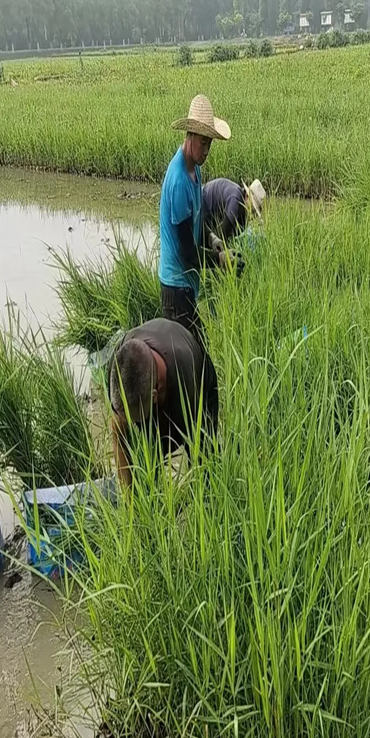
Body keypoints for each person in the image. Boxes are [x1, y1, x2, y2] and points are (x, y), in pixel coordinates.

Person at [108, 318, 218, 489]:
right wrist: (129, 501)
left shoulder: (185, 381)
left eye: (133, 418)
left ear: (154, 396)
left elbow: (185, 443)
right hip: (153, 374)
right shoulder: (118, 367)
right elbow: (118, 434)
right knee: (144, 466)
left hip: (195, 375)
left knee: (206, 463)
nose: (130, 423)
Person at [159, 95, 231, 345]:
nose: (207, 150)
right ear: (189, 136)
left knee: (195, 356)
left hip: (186, 284)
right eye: (203, 142)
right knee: (195, 360)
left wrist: (213, 240)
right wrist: (220, 261)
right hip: (176, 287)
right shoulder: (179, 180)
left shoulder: (195, 169)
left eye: (210, 143)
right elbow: (188, 253)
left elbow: (198, 222)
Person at [203, 178, 266, 245]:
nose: (253, 215)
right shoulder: (235, 198)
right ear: (247, 196)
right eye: (253, 210)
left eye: (255, 213)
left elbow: (230, 236)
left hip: (210, 217)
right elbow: (223, 233)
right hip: (200, 204)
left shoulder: (242, 217)